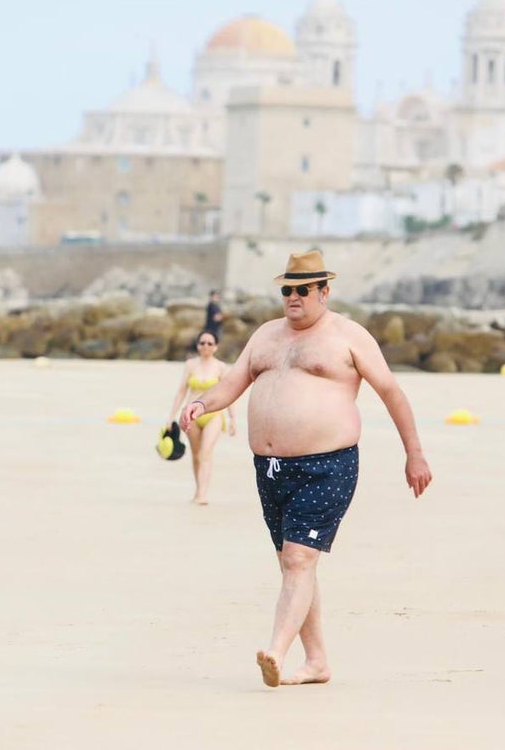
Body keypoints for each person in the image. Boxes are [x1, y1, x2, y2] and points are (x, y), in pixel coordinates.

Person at [180, 250, 432, 688]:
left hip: (328, 464)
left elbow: (390, 390)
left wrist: (414, 453)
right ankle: (316, 662)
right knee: (293, 562)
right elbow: (233, 383)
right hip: (272, 468)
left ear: (324, 291)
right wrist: (201, 404)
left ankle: (276, 650)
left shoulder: (348, 336)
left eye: (302, 290)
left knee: (299, 557)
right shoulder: (266, 336)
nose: (293, 297)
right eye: (287, 290)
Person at [167, 330, 237, 505]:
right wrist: (171, 416)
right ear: (198, 345)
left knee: (205, 452)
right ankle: (198, 489)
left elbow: (228, 393)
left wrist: (233, 419)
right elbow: (181, 391)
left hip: (213, 415)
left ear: (216, 347)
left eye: (209, 343)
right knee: (196, 454)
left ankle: (203, 494)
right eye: (202, 343)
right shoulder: (190, 365)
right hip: (191, 415)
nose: (205, 346)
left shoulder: (220, 367)